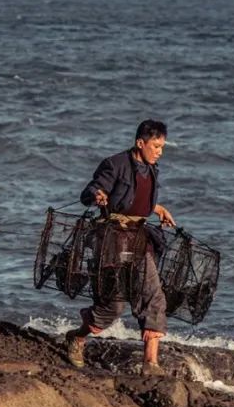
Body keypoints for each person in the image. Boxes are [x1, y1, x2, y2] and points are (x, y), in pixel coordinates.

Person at [64, 119, 176, 376]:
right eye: (156, 146)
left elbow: (135, 200)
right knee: (113, 305)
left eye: (162, 147)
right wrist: (97, 195)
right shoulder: (114, 164)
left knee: (153, 295)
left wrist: (156, 209)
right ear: (140, 143)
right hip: (111, 240)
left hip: (139, 238)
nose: (160, 152)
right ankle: (78, 337)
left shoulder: (152, 169)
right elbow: (90, 191)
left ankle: (151, 364)